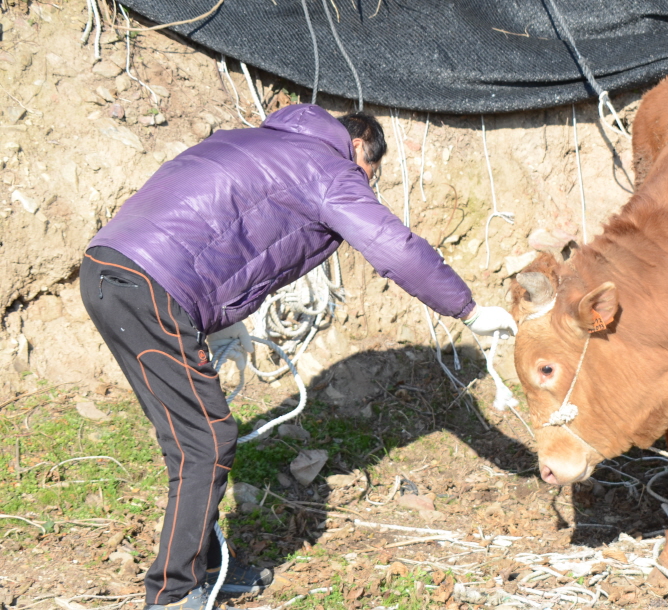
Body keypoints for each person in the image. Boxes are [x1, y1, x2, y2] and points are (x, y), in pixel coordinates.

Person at [80, 105, 517, 609]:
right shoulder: (327, 165)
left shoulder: (253, 139)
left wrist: (212, 315)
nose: (365, 186)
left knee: (192, 435)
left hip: (109, 267)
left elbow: (207, 217)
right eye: (369, 175)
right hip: (153, 286)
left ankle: (205, 568)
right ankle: (175, 594)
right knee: (204, 440)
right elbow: (392, 246)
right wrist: (468, 310)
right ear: (359, 148)